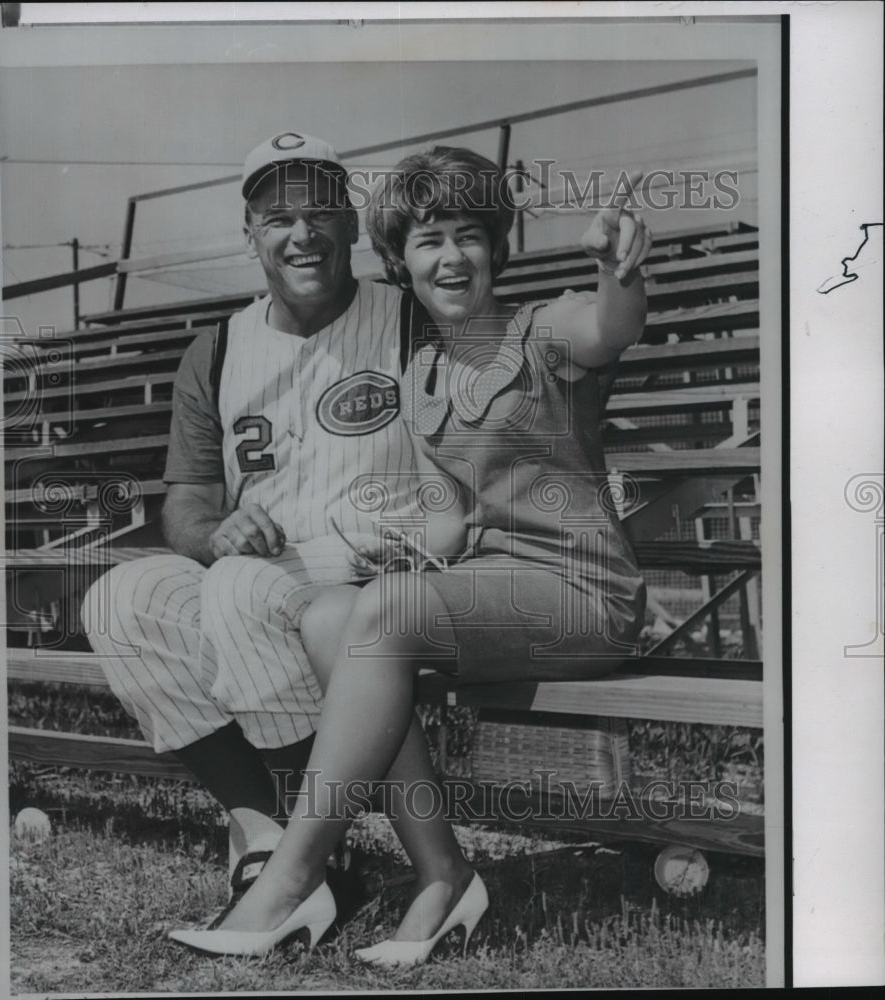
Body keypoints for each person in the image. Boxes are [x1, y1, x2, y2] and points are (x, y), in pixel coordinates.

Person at [168, 146, 650, 963]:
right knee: (332, 616)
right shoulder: (422, 373)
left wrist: (617, 269)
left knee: (379, 613)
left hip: (582, 593)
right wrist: (378, 547)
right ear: (400, 259)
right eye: (429, 240)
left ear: (496, 248)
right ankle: (443, 873)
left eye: (469, 235)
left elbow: (611, 325)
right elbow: (446, 520)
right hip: (491, 590)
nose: (451, 256)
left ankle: (289, 880)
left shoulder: (544, 332)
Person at [80, 131, 462, 923]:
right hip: (265, 572)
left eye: (322, 211)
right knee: (122, 598)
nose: (303, 234)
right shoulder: (216, 348)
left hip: (382, 576)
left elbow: (472, 458)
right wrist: (214, 529)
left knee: (241, 591)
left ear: (353, 225)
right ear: (249, 234)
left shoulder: (413, 318)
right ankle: (263, 831)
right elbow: (183, 501)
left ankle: (308, 859)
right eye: (278, 217)